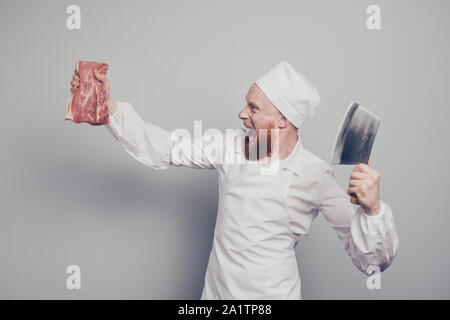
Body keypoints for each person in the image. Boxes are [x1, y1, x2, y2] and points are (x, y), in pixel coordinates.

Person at [70, 61, 399, 299]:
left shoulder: (315, 176)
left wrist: (372, 212)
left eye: (253, 108)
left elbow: (371, 261)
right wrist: (106, 107)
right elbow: (167, 147)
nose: (242, 114)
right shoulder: (230, 146)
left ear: (283, 120)